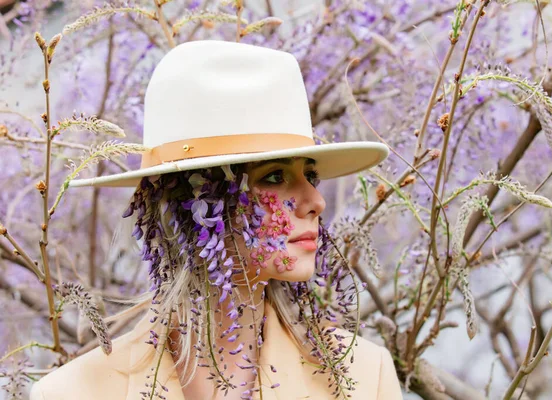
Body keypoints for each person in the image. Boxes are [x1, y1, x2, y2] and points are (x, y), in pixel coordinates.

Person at [30, 40, 403, 400]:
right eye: (274, 176)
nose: (315, 201)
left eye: (310, 175)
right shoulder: (73, 392)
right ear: (194, 201)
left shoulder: (362, 377)